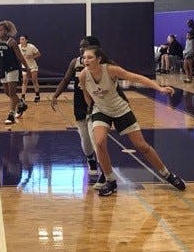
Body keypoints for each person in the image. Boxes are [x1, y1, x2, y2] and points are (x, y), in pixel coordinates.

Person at [79, 46, 186, 196]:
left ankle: (167, 174)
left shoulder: (110, 70)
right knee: (99, 142)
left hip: (120, 109)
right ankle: (110, 181)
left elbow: (136, 78)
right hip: (101, 110)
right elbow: (86, 93)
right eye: (84, 57)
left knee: (142, 146)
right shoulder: (83, 76)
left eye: (89, 57)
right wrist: (90, 109)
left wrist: (159, 88)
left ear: (98, 59)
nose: (86, 60)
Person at [50, 36, 103, 187]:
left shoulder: (102, 64)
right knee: (86, 140)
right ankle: (91, 160)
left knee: (96, 140)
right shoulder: (75, 62)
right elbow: (66, 80)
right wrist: (55, 95)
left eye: (84, 46)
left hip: (96, 105)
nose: (81, 48)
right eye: (80, 46)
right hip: (79, 104)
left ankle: (105, 173)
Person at [0, 20, 31, 125]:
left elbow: (20, 57)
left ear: (6, 31)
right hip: (3, 69)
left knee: (12, 93)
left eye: (0, 30)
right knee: (6, 92)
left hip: (13, 68)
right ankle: (21, 104)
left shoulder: (11, 42)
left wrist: (27, 67)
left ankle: (11, 115)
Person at [18, 35, 41, 102]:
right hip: (25, 66)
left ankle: (37, 96)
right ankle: (23, 97)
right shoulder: (18, 46)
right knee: (24, 81)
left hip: (32, 66)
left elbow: (39, 54)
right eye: (20, 39)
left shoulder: (31, 47)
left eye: (22, 39)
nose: (21, 41)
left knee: (34, 80)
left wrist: (31, 56)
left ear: (26, 40)